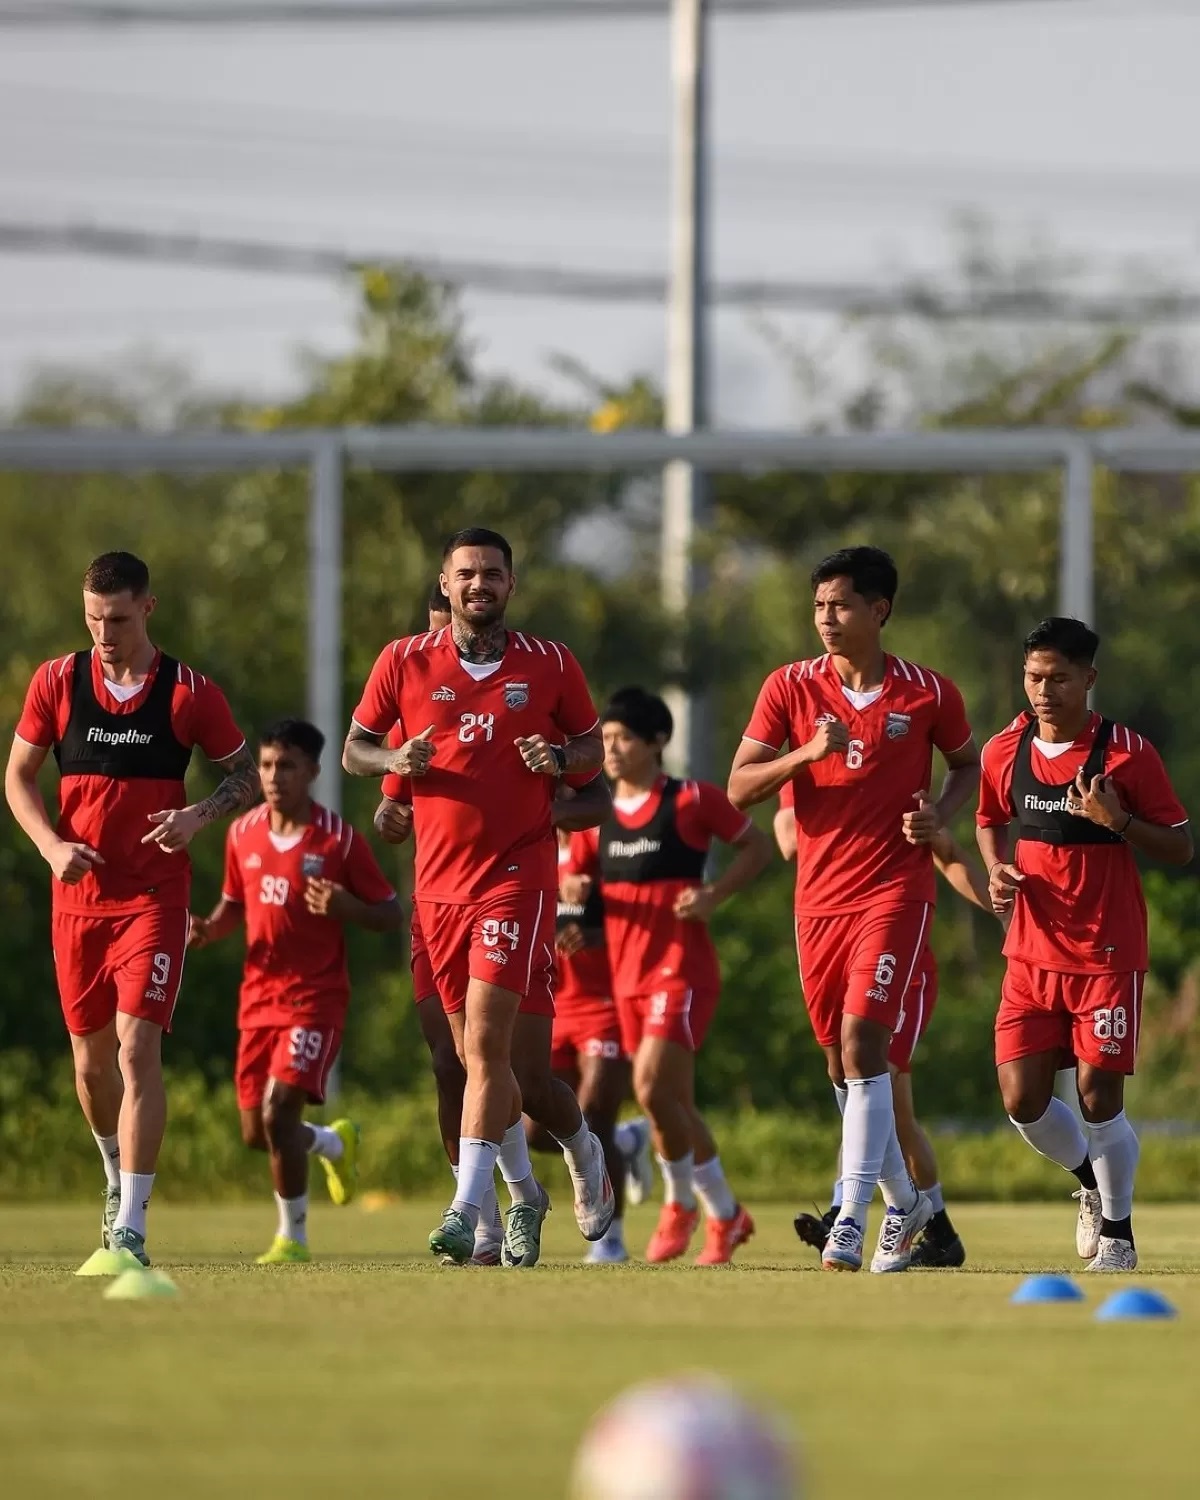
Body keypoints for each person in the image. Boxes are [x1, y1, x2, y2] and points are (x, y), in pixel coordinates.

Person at [343, 526, 613, 1269]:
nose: (478, 585)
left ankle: (469, 1212)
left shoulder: (550, 664)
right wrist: (391, 764)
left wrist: (559, 757)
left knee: (486, 1052)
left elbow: (593, 759)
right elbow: (356, 751)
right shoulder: (403, 662)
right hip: (436, 896)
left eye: (492, 573)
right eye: (466, 574)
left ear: (510, 585)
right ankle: (570, 1157)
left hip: (515, 882)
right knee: (490, 1072)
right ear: (445, 582)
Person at [729, 545, 979, 1274]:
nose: (826, 620)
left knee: (867, 1048)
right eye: (818, 607)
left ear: (880, 610)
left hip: (895, 895)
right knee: (843, 1066)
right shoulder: (788, 687)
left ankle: (853, 1220)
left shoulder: (928, 693)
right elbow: (739, 787)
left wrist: (940, 814)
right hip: (818, 906)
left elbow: (968, 764)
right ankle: (907, 1204)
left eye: (840, 606)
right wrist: (804, 755)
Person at [4, 551, 258, 1268]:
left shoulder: (187, 693)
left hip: (153, 899)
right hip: (77, 901)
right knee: (90, 1068)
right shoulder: (56, 681)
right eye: (91, 619)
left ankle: (134, 1227)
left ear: (147, 608)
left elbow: (244, 772)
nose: (103, 633)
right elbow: (18, 777)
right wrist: (51, 845)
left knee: (136, 1048)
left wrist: (198, 816)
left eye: (116, 619)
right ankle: (113, 1177)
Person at [977, 617, 1191, 1272]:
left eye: (1059, 678)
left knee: (1099, 1097)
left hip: (1105, 954)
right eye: (1033, 676)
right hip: (1029, 957)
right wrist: (995, 869)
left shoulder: (1128, 755)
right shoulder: (1003, 750)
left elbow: (1181, 846)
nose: (1044, 690)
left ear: (1089, 680)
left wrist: (1119, 821)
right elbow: (989, 819)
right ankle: (1092, 1184)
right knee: (1022, 1100)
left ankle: (1120, 1237)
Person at [566, 687, 773, 1265]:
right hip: (623, 980)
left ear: (657, 741)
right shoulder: (595, 819)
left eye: (622, 738)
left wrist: (714, 895)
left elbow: (755, 848)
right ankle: (727, 1215)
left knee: (654, 1088)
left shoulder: (690, 801)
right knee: (670, 1106)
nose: (609, 748)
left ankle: (680, 1203)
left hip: (681, 972)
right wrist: (574, 894)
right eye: (604, 738)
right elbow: (570, 887)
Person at [189, 719, 404, 1264]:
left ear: (311, 771)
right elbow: (235, 903)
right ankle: (332, 1142)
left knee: (280, 1110)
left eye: (285, 766)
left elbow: (388, 913)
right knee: (256, 1133)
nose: (272, 776)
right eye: (265, 765)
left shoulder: (338, 839)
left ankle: (293, 1238)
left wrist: (344, 906)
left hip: (315, 997)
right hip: (258, 997)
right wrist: (209, 929)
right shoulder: (242, 834)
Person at [776, 778, 991, 1269]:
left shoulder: (898, 795)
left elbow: (947, 852)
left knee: (878, 1089)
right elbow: (787, 836)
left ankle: (851, 1213)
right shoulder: (807, 774)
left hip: (907, 974)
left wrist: (1003, 907)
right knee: (872, 1099)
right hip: (839, 947)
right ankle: (930, 1223)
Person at [373, 581, 505, 1266]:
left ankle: (488, 1210)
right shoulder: (409, 696)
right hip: (433, 907)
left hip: (505, 896)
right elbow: (388, 812)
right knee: (447, 1061)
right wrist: (390, 811)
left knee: (490, 1054)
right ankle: (484, 1205)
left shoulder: (516, 687)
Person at [523, 830, 630, 1264]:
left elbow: (642, 908)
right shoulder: (528, 844)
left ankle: (612, 1239)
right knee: (536, 1131)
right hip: (551, 1005)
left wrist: (595, 922)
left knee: (596, 1118)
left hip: (605, 1003)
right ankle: (629, 1143)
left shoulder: (603, 841)